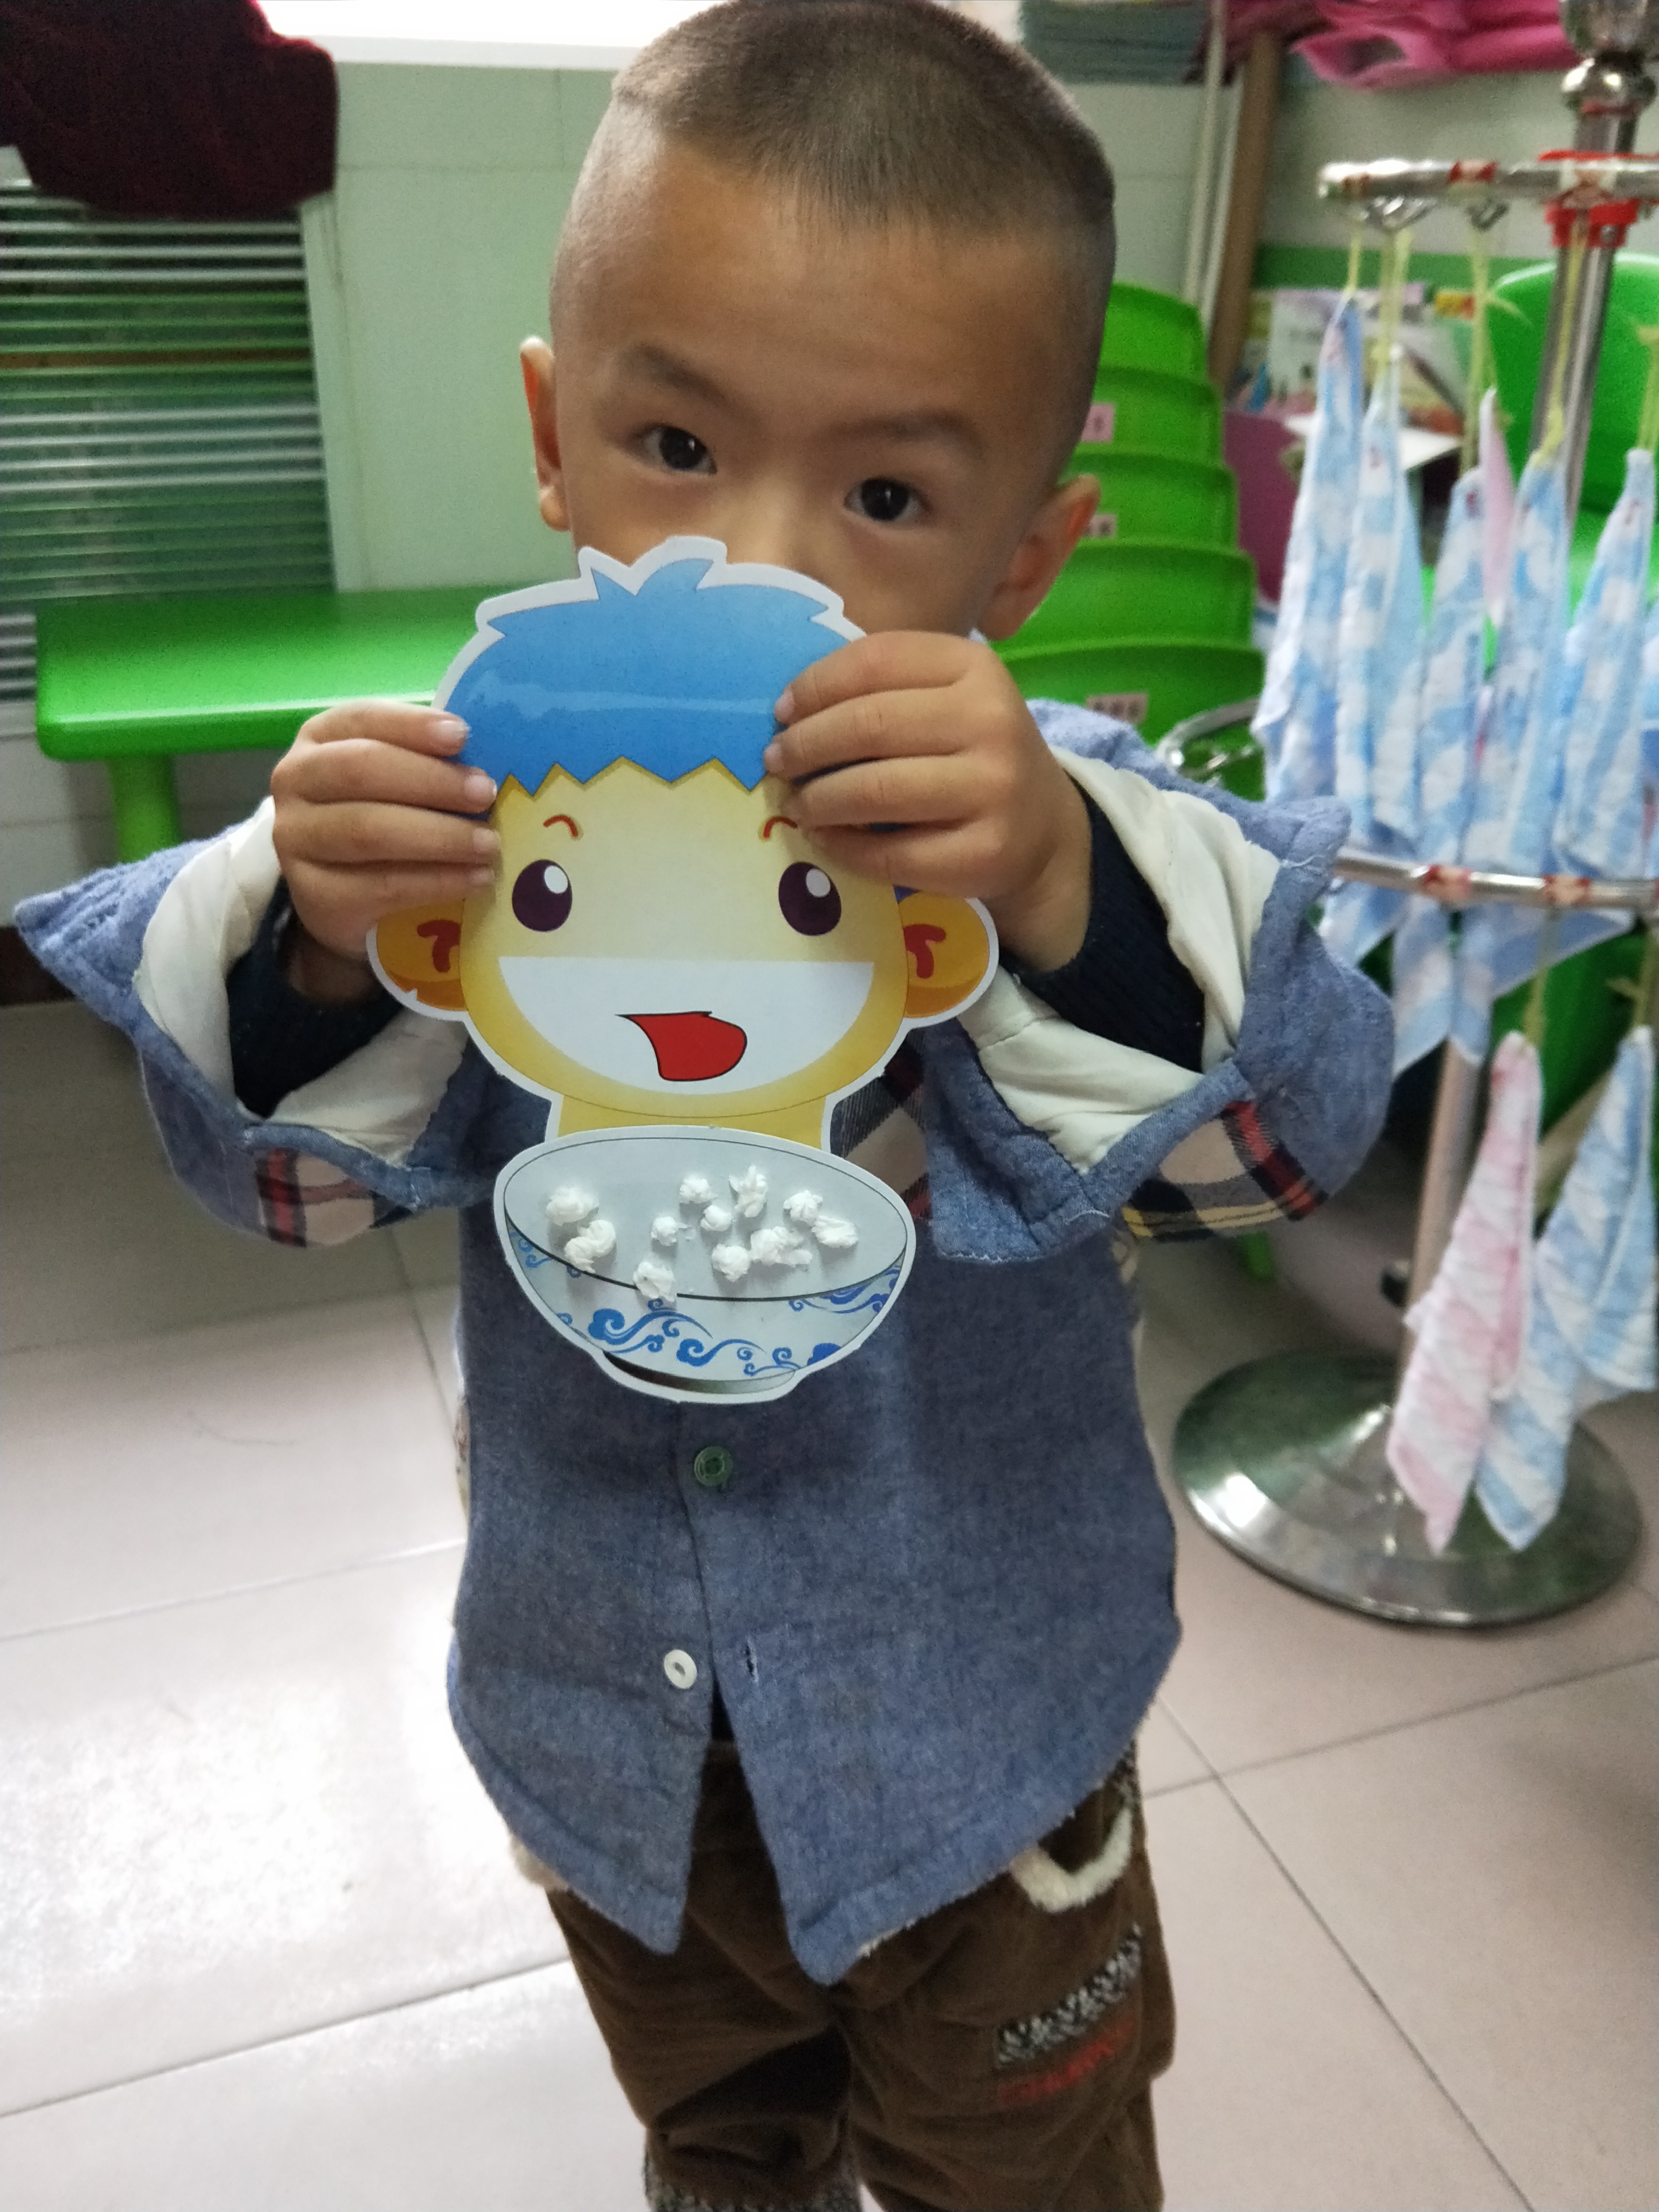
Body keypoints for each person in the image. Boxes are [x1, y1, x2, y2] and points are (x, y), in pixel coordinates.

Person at [18, 6, 1392, 2207]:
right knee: (726, 2144)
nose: (765, 564)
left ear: (1025, 561)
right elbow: (285, 1193)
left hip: (982, 1751)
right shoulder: (466, 823)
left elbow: (1291, 1148)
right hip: (615, 1742)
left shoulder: (1082, 832)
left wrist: (1061, 883)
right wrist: (313, 942)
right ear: (554, 440)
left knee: (1029, 2176)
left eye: (885, 497)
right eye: (677, 442)